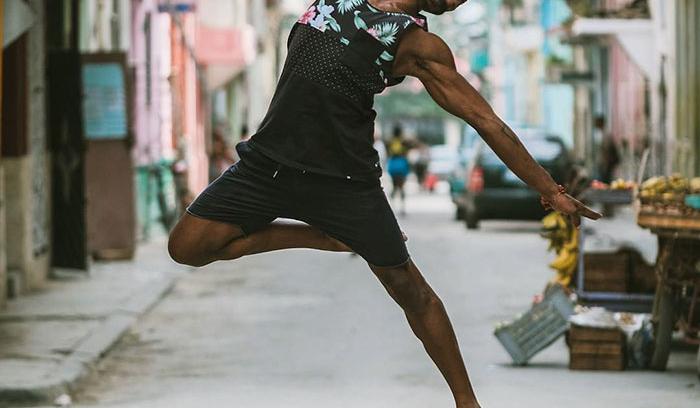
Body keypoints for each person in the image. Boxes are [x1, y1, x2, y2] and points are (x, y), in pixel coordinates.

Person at [168, 1, 601, 407]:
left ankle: (467, 402)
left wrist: (551, 189)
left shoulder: (416, 43)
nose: (456, 4)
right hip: (268, 163)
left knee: (409, 289)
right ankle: (320, 237)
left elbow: (485, 120)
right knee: (186, 247)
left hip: (345, 181)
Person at [386, 126, 411, 215]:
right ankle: (402, 207)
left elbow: (388, 154)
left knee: (394, 186)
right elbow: (407, 152)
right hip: (401, 165)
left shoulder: (389, 141)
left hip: (392, 165)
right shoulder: (404, 141)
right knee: (401, 187)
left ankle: (391, 206)